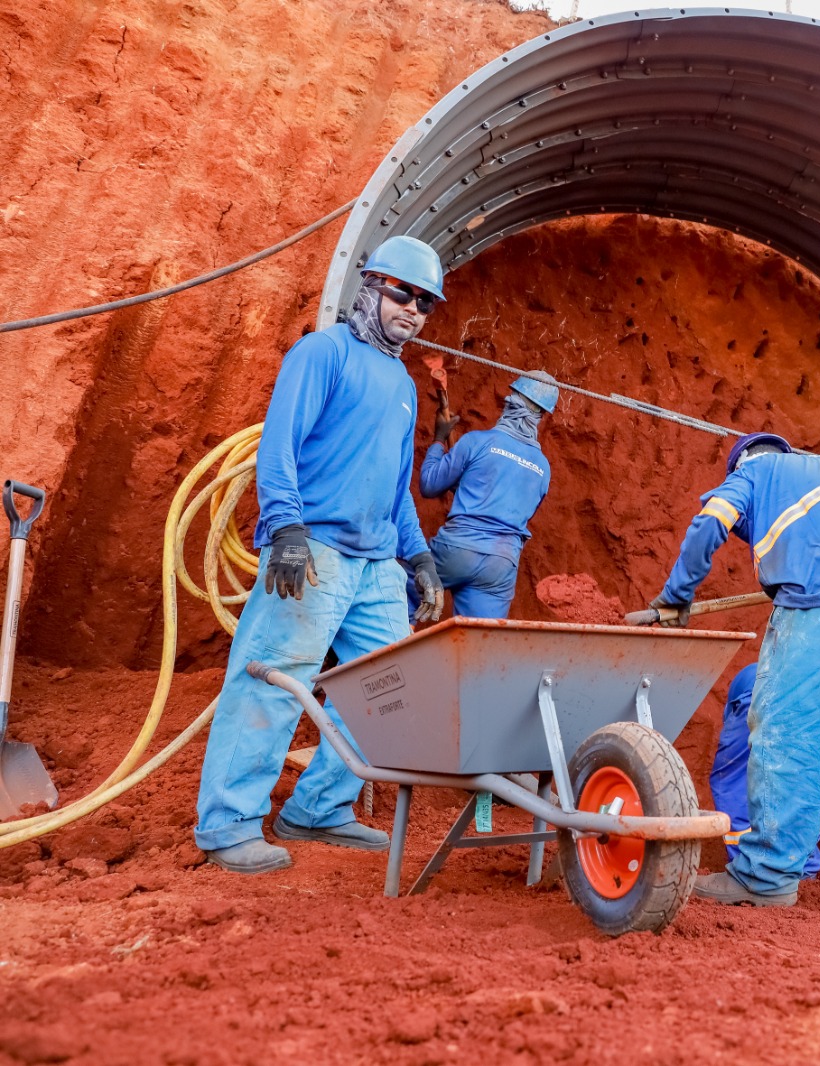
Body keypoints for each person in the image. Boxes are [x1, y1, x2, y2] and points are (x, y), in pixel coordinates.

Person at [193, 236, 449, 875]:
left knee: (391, 691)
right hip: (316, 551)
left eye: (425, 302)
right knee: (274, 679)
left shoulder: (403, 382)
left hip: (376, 565)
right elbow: (278, 446)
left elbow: (397, 488)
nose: (413, 309)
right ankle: (227, 824)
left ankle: (318, 808)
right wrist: (284, 528)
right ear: (371, 287)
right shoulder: (323, 353)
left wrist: (417, 559)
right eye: (403, 293)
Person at [651, 432, 820, 912]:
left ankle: (767, 875)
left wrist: (677, 597)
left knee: (786, 727)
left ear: (743, 464)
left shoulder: (753, 473)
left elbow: (711, 522)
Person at [411, 373, 557, 619]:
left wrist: (438, 438)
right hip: (501, 564)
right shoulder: (543, 468)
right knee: (479, 637)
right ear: (541, 416)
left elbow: (429, 484)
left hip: (456, 548)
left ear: (511, 402)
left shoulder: (477, 442)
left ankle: (394, 646)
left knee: (398, 597)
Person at [708, 663, 820, 878]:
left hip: (762, 690)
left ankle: (750, 868)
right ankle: (805, 867)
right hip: (806, 694)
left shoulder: (745, 698)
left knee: (731, 780)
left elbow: (740, 769)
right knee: (796, 778)